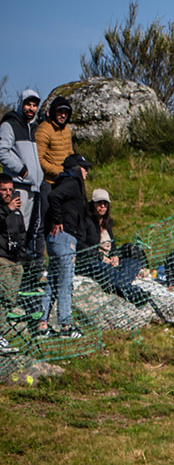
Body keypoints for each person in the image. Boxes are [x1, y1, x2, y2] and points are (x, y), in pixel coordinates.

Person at [41, 152, 93, 338]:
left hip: (55, 239)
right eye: (85, 168)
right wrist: (58, 220)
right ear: (77, 169)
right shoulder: (72, 183)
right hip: (64, 239)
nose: (87, 172)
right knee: (65, 282)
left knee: (52, 282)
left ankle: (42, 325)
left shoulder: (63, 181)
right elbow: (53, 197)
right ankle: (65, 326)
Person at [82, 188, 147, 304]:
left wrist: (115, 255)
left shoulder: (108, 223)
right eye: (99, 203)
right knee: (108, 270)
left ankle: (117, 284)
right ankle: (135, 293)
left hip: (110, 261)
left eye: (105, 203)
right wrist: (101, 257)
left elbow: (113, 245)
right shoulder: (85, 221)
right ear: (93, 204)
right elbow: (81, 246)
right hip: (93, 261)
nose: (102, 206)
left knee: (134, 263)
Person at [0, 90, 44, 248]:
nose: (31, 108)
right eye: (28, 104)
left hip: (34, 188)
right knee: (15, 228)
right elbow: (2, 151)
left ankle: (21, 259)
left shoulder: (36, 129)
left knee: (28, 230)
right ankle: (10, 259)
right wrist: (21, 170)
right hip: (18, 186)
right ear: (21, 104)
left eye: (34, 105)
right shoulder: (9, 125)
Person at [0, 174, 27, 310]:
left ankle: (4, 321)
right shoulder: (5, 209)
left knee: (10, 300)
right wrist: (7, 209)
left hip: (16, 260)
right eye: (4, 190)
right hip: (2, 259)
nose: (8, 193)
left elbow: (22, 233)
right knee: (7, 295)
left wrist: (22, 252)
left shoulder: (16, 212)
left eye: (10, 190)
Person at [34, 96, 74, 180]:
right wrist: (59, 171)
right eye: (60, 112)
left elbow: (70, 152)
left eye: (66, 112)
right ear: (53, 112)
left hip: (66, 177)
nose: (63, 115)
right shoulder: (43, 130)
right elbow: (38, 159)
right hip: (49, 180)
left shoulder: (66, 129)